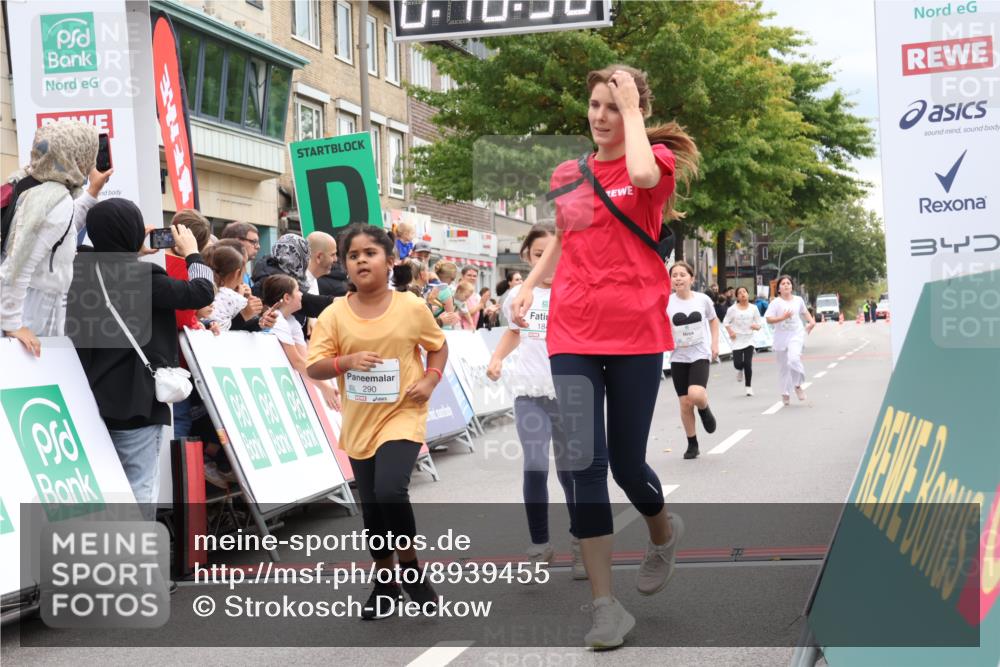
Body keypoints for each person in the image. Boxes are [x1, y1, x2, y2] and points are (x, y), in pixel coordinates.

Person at [509, 64, 699, 649]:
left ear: (635, 111)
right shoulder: (569, 172)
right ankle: (604, 606)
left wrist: (634, 109)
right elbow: (567, 235)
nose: (599, 116)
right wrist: (530, 282)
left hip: (637, 331)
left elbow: (639, 169)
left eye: (612, 106)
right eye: (594, 105)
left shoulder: (655, 164)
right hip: (573, 331)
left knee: (626, 465)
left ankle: (662, 534)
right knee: (583, 464)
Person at [306, 223, 447, 620]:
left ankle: (411, 568)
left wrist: (430, 380)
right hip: (360, 420)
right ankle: (385, 582)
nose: (361, 260)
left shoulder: (412, 307)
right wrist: (345, 362)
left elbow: (437, 347)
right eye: (353, 255)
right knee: (371, 507)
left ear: (389, 261)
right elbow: (315, 366)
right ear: (346, 266)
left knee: (389, 489)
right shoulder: (335, 313)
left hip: (403, 412)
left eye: (370, 252)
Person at [67, 199, 214, 519]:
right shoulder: (145, 276)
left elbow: (88, 253)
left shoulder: (77, 270)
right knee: (138, 488)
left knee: (104, 492)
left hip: (88, 399)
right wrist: (192, 253)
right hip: (137, 401)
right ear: (133, 232)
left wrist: (129, 249)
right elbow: (202, 292)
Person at [486, 223, 583, 578]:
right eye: (540, 255)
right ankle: (540, 543)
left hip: (567, 392)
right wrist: (496, 359)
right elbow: (515, 333)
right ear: (528, 256)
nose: (548, 262)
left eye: (554, 255)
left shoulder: (575, 291)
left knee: (571, 473)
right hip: (529, 392)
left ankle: (580, 541)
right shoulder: (517, 296)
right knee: (535, 465)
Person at [1, 120, 111, 355]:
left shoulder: (29, 182)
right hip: (34, 308)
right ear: (75, 154)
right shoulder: (55, 199)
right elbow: (18, 264)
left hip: (29, 302)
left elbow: (61, 230)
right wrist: (12, 324)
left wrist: (92, 193)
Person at [260, 274, 339, 410]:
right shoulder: (277, 319)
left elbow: (305, 360)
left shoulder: (291, 321)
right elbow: (296, 361)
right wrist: (324, 387)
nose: (301, 295)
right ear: (287, 298)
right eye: (297, 290)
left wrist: (327, 384)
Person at [667, 261, 719, 460]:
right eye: (674, 275)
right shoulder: (666, 301)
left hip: (699, 354)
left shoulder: (703, 299)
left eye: (682, 274)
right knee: (685, 404)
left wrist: (715, 344)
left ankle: (704, 409)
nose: (678, 278)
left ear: (692, 278)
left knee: (695, 394)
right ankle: (692, 443)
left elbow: (713, 320)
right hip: (678, 356)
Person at [252, 233, 334, 326]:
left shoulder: (296, 278)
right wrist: (336, 302)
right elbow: (305, 301)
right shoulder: (274, 282)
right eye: (305, 257)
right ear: (295, 258)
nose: (308, 261)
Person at [765, 275, 815, 406]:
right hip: (781, 337)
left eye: (788, 283)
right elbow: (768, 319)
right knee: (784, 368)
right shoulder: (775, 302)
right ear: (779, 289)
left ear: (792, 286)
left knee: (793, 359)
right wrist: (782, 317)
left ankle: (798, 385)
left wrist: (812, 322)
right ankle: (785, 393)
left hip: (796, 335)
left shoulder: (798, 300)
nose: (786, 285)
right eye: (783, 284)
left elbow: (805, 312)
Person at [723, 286, 764, 396]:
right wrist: (730, 332)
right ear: (737, 297)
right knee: (737, 364)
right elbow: (725, 322)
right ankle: (739, 370)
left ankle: (748, 387)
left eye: (744, 292)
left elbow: (759, 323)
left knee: (747, 363)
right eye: (740, 292)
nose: (742, 294)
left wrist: (756, 326)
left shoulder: (753, 308)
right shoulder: (732, 309)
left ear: (748, 294)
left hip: (749, 339)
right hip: (737, 339)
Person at [202, 244, 250, 333]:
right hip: (221, 338)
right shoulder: (235, 297)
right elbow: (251, 314)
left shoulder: (206, 290)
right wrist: (245, 296)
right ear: (237, 273)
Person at [220, 221, 260, 287]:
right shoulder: (227, 270)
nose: (258, 246)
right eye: (254, 242)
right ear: (237, 241)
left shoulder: (243, 269)